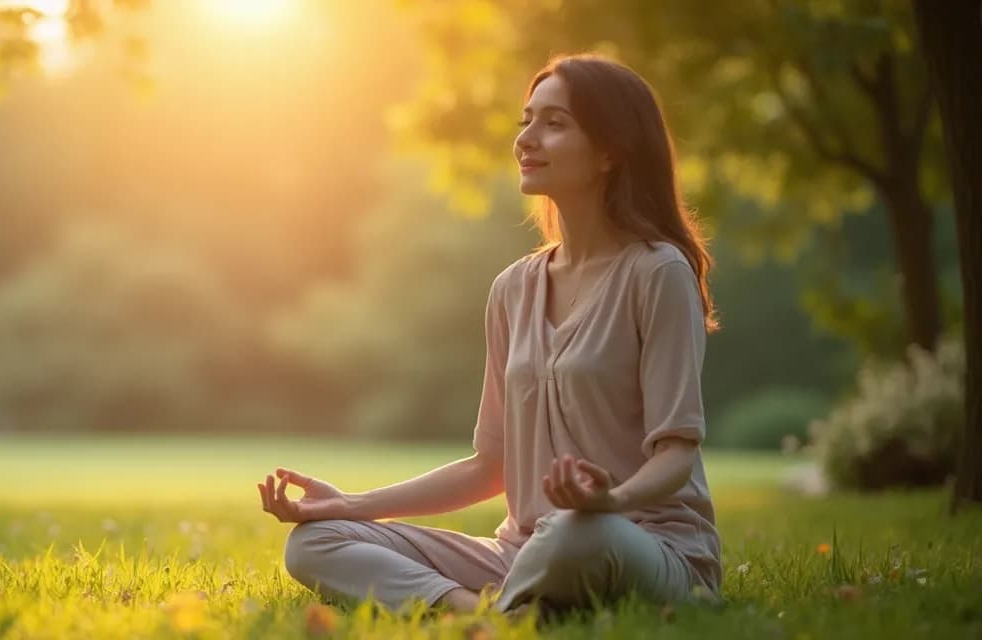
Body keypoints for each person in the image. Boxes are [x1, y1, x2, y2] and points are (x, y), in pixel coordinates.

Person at [256, 53, 722, 618]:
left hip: (643, 545)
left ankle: (504, 609)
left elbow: (677, 452)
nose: (527, 138)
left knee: (578, 534)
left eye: (555, 123)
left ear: (610, 151)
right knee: (315, 542)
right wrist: (351, 504)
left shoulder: (657, 272)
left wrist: (608, 502)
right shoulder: (512, 289)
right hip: (522, 550)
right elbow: (490, 466)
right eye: (526, 120)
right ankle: (475, 615)